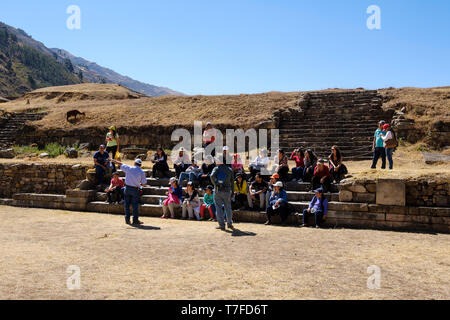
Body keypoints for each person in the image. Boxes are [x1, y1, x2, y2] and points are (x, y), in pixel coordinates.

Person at [112, 158, 147, 225]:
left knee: (126, 205)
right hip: (135, 189)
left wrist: (113, 160)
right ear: (140, 165)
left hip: (127, 188)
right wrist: (139, 184)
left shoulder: (129, 168)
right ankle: (135, 220)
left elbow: (121, 164)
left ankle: (127, 220)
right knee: (135, 205)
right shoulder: (141, 172)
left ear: (134, 163)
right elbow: (144, 184)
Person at [210, 155, 234, 231]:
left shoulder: (216, 168)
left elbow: (211, 176)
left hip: (218, 190)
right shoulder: (229, 169)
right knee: (228, 207)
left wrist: (215, 184)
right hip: (227, 191)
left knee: (218, 207)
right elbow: (232, 182)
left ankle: (221, 225)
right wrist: (232, 191)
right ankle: (229, 223)